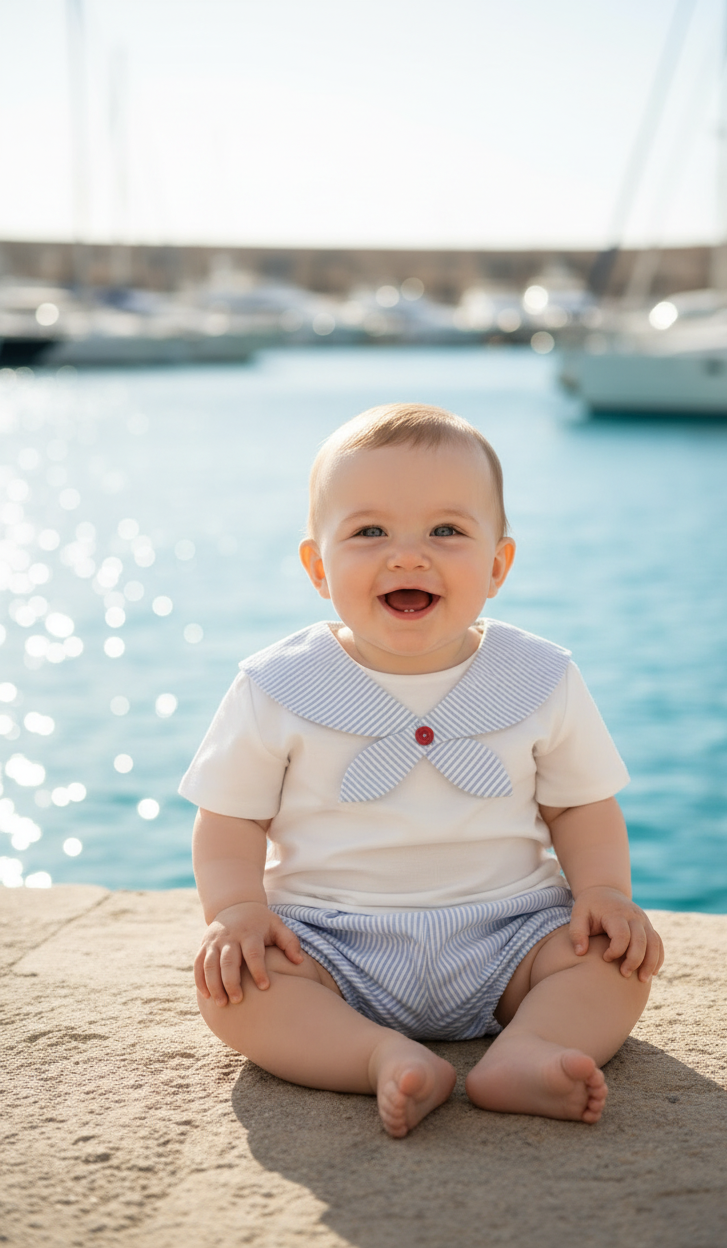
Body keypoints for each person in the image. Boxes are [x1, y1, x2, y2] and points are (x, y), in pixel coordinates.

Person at [180, 402, 664, 1139]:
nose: (408, 556)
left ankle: (529, 1051)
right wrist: (238, 911)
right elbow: (230, 817)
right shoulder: (277, 684)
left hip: (510, 931)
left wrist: (604, 893)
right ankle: (377, 1055)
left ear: (498, 563)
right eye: (370, 532)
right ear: (318, 566)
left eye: (447, 530)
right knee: (238, 990)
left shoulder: (539, 675)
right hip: (329, 940)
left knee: (612, 960)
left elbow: (580, 807)